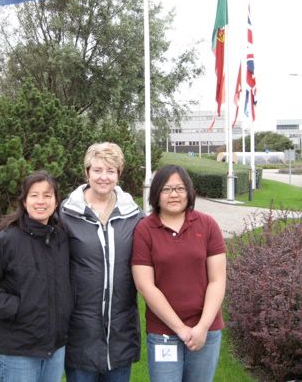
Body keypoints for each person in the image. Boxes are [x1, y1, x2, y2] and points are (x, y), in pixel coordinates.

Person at [0, 170, 72, 382]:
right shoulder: (7, 239)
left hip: (55, 349)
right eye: (34, 195)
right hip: (19, 350)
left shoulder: (61, 238)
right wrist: (18, 308)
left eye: (47, 195)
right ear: (24, 201)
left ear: (56, 200)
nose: (41, 201)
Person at [131, 164, 226, 382]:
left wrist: (201, 327)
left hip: (206, 330)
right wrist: (180, 329)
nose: (174, 194)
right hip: (164, 332)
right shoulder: (145, 229)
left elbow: (217, 280)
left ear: (189, 192)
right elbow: (145, 285)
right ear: (156, 194)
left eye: (180, 188)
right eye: (166, 189)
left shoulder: (207, 224)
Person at [60, 142, 144, 382]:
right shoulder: (66, 214)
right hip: (79, 333)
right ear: (87, 172)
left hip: (121, 333)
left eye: (111, 171)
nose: (103, 177)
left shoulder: (134, 215)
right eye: (97, 170)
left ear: (119, 174)